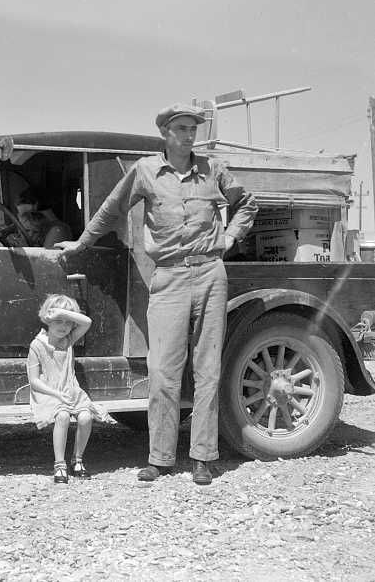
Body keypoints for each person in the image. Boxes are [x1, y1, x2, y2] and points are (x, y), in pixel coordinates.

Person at [56, 103, 258, 485]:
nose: (188, 135)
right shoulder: (146, 171)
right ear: (165, 132)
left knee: (207, 370)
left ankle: (203, 457)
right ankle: (161, 459)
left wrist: (230, 238)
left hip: (211, 274)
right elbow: (111, 208)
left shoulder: (212, 170)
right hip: (169, 277)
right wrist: (81, 244)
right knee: (163, 370)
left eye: (192, 128)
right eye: (181, 128)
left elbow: (246, 203)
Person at [26, 293, 109, 483]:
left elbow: (87, 322)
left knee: (86, 417)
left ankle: (77, 459)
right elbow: (34, 381)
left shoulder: (68, 340)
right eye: (58, 321)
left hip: (70, 389)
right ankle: (60, 464)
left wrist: (64, 312)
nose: (63, 327)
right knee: (62, 416)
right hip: (47, 392)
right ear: (48, 319)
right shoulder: (37, 345)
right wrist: (56, 394)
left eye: (68, 322)